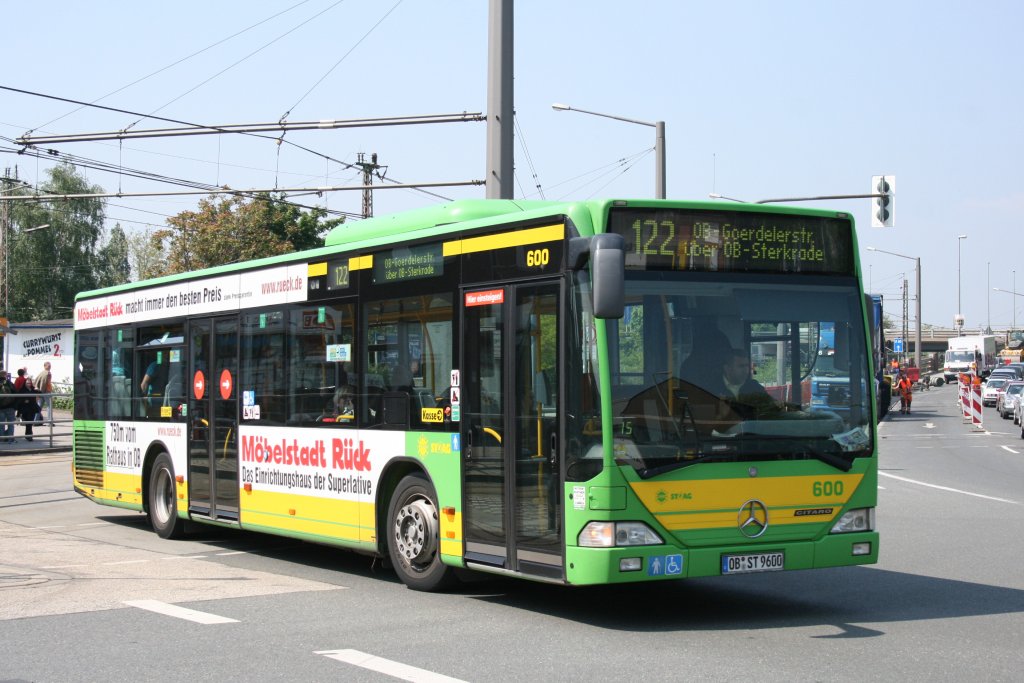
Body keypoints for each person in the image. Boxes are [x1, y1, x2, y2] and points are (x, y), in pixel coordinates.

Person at [710, 348, 778, 421]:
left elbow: (774, 409)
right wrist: (721, 416)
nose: (746, 370)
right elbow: (704, 424)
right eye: (741, 366)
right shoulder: (711, 389)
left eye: (747, 366)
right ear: (727, 368)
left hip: (752, 431)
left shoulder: (754, 386)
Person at [16, 377, 41, 441]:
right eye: (27, 383)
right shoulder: (22, 390)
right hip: (25, 408)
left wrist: (38, 390)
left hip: (32, 407)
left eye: (30, 383)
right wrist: (24, 400)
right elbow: (19, 399)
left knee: (30, 422)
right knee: (28, 422)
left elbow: (40, 393)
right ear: (25, 383)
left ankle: (29, 435)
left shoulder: (33, 389)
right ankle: (29, 435)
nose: (29, 384)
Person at [0, 370, 17, 443]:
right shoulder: (9, 383)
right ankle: (10, 439)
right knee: (11, 424)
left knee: (1, 424)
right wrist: (14, 406)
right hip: (10, 406)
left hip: (0, 407)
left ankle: (2, 439)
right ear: (6, 375)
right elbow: (15, 393)